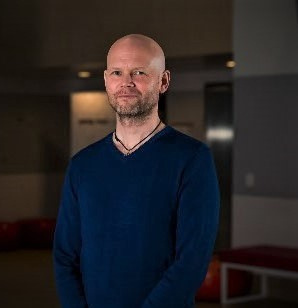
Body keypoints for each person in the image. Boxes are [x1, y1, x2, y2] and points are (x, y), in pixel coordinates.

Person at [53, 34, 220, 308]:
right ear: (107, 80)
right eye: (117, 72)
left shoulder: (192, 159)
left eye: (139, 72)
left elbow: (192, 260)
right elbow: (65, 255)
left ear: (163, 81)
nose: (126, 82)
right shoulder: (83, 165)